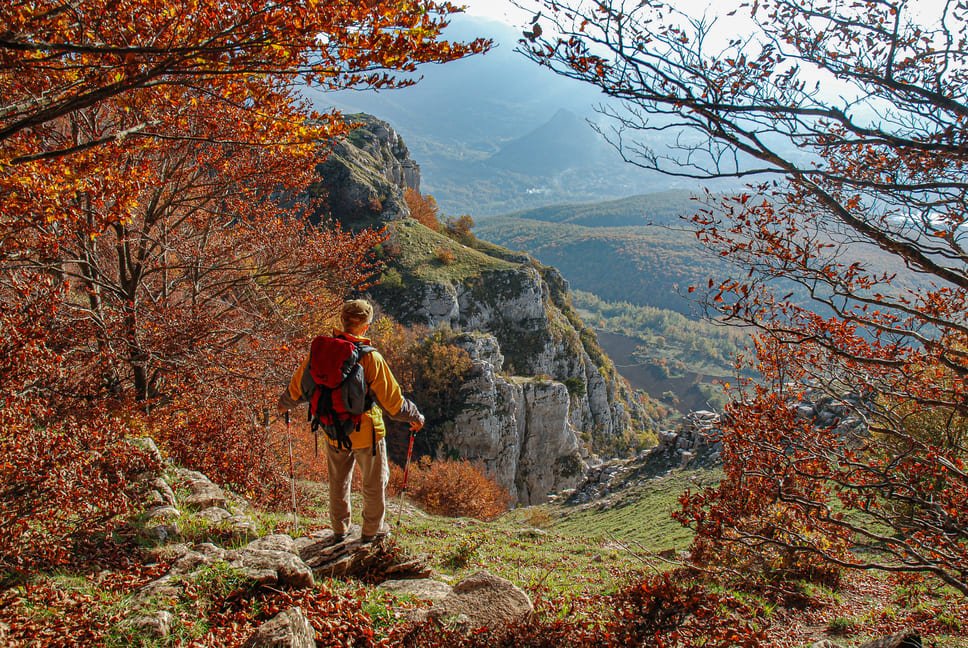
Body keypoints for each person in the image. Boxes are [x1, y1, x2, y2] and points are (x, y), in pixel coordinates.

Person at [277, 299, 424, 542]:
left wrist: (284, 404)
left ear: (342, 321)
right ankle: (371, 532)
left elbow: (298, 387)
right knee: (374, 484)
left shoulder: (320, 351)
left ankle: (339, 529)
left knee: (338, 482)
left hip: (332, 428)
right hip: (366, 432)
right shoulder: (370, 358)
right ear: (366, 326)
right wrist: (415, 416)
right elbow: (393, 403)